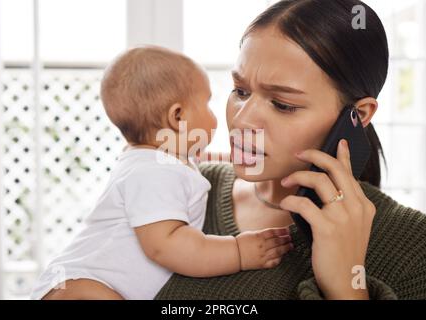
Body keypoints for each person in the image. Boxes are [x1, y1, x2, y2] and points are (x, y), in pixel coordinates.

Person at [155, 0, 426, 300]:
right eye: (241, 91)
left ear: (360, 115)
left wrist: (346, 285)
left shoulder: (417, 251)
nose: (241, 118)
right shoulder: (181, 189)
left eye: (283, 105)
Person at [30, 46, 293, 300]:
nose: (217, 117)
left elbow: (199, 162)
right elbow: (168, 245)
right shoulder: (153, 173)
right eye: (207, 104)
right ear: (177, 117)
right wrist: (238, 252)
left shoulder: (160, 161)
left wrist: (236, 160)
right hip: (88, 288)